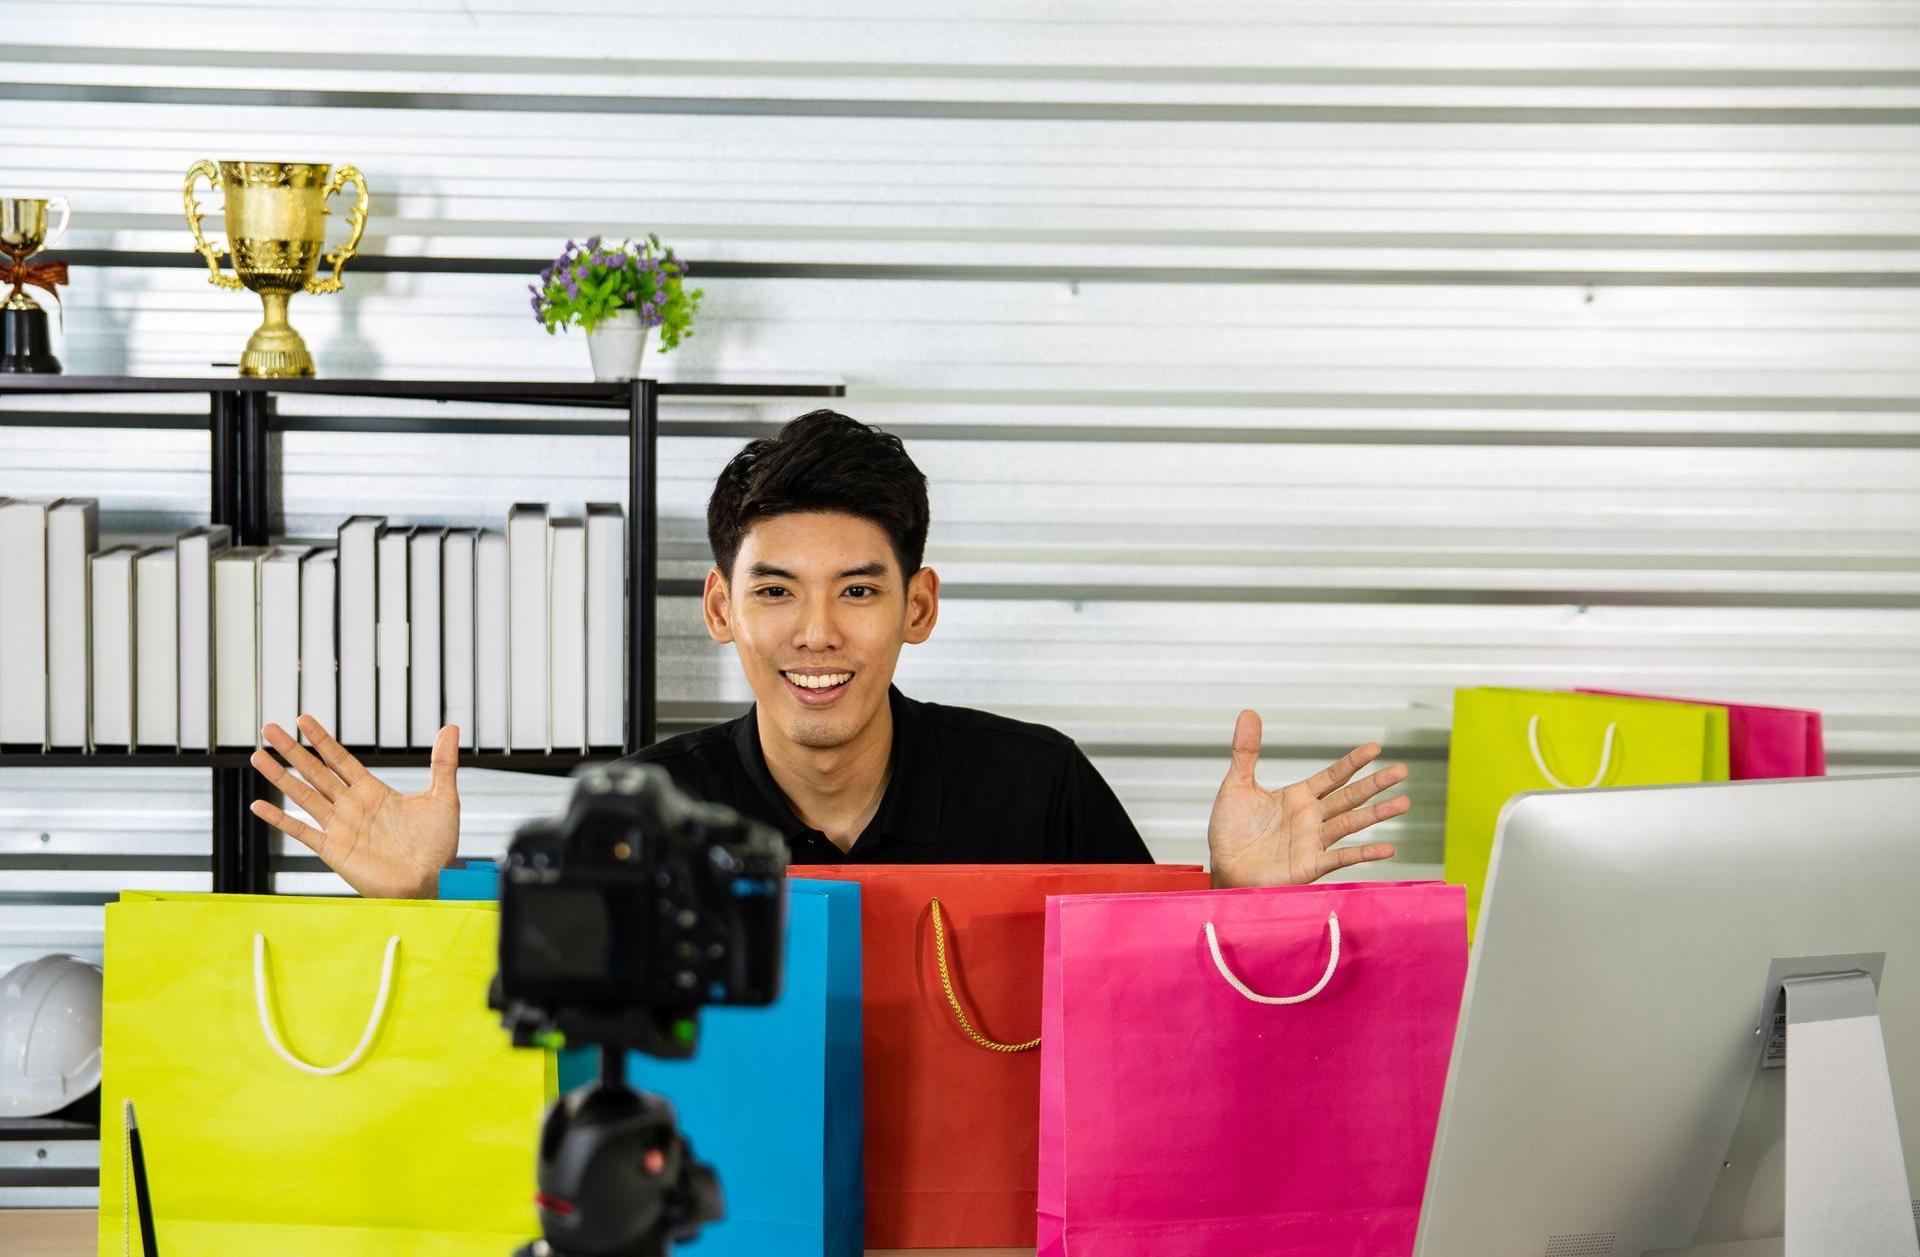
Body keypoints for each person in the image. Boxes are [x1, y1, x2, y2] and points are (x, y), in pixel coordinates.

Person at [248, 410, 1409, 898]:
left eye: (858, 590)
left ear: (919, 606)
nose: (816, 632)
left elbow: (1146, 1012)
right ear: (718, 609)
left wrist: (1234, 899)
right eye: (775, 592)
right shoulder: (642, 802)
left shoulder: (1034, 782)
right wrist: (415, 902)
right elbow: (545, 1054)